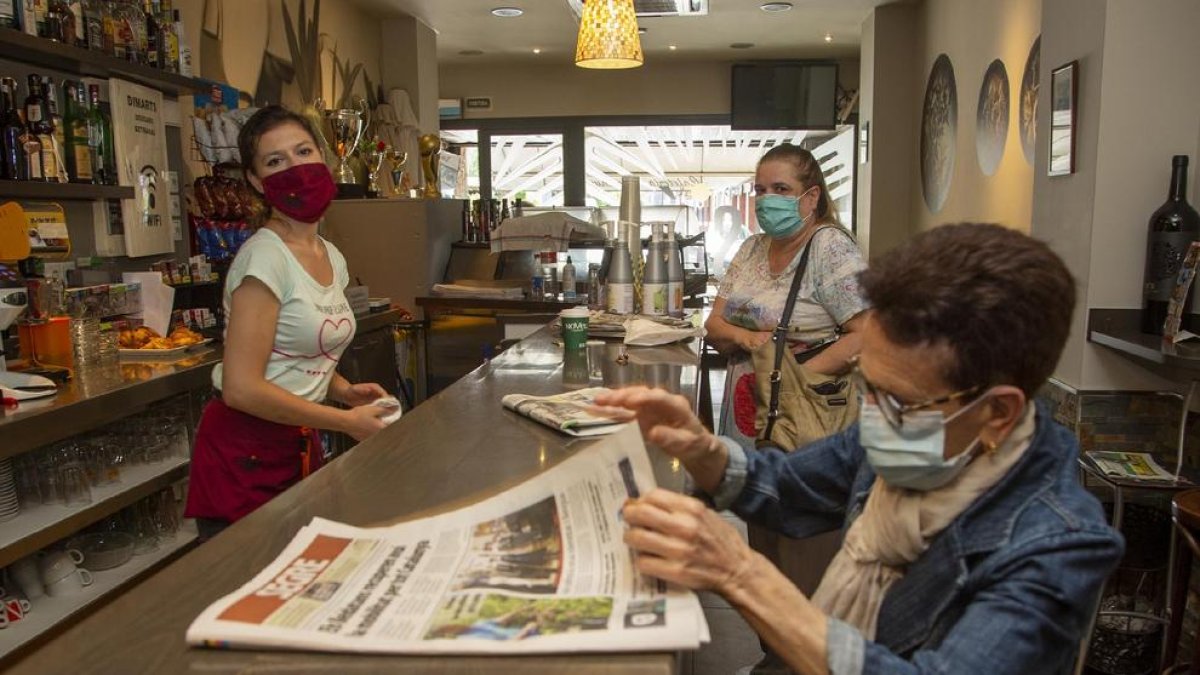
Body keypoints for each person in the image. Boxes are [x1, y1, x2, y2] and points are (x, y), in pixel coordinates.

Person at [597, 224, 1123, 674]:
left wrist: (742, 575)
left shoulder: (1057, 547)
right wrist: (701, 448)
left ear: (998, 412)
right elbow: (787, 486)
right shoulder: (911, 431)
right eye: (869, 385)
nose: (873, 414)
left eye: (897, 400)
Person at [184, 105, 391, 540]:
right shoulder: (264, 256)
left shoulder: (330, 255)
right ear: (257, 182)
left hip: (294, 443)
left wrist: (342, 390)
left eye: (303, 152)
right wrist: (345, 422)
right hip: (245, 454)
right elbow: (242, 388)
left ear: (324, 158)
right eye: (276, 162)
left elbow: (299, 351)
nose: (295, 169)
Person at [705, 144, 870, 611]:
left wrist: (788, 377)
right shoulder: (752, 249)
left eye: (781, 189)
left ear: (810, 197)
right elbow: (714, 325)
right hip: (751, 411)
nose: (766, 199)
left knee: (805, 540)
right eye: (760, 190)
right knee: (763, 530)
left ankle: (812, 649)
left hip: (806, 413)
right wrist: (749, 342)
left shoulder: (829, 247)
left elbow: (868, 333)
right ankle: (775, 654)